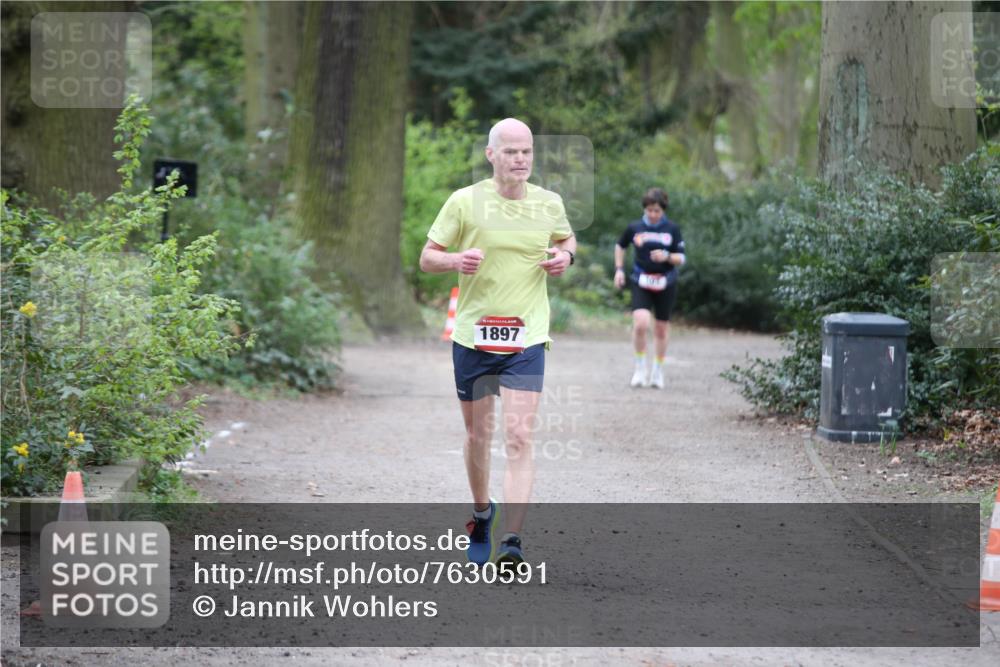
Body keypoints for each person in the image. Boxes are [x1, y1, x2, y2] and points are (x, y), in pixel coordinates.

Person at [419, 118, 576, 567]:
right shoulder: (464, 202)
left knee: (520, 435)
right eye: (510, 151)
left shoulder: (549, 203)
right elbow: (427, 257)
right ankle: (481, 512)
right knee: (477, 434)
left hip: (527, 335)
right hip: (474, 336)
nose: (521, 159)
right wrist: (454, 259)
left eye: (526, 151)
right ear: (491, 155)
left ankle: (512, 542)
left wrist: (566, 255)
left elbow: (567, 238)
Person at [613, 187, 685, 389]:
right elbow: (620, 246)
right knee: (641, 324)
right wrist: (619, 270)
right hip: (641, 280)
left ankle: (658, 370)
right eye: (649, 210)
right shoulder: (634, 227)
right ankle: (639, 368)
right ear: (644, 209)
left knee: (661, 329)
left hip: (666, 282)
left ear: (663, 210)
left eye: (657, 211)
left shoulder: (672, 229)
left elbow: (682, 257)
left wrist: (667, 257)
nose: (653, 214)